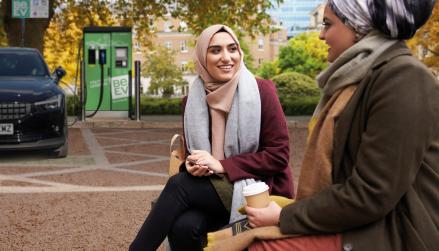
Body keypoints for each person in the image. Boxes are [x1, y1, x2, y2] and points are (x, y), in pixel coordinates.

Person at [243, 0, 439, 250]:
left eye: (328, 24)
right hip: (365, 218)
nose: (322, 35)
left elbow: (371, 193)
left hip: (398, 230)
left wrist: (285, 216)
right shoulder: (359, 78)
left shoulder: (404, 79)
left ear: (359, 26)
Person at [129, 24, 294, 251]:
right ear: (201, 57)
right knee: (183, 226)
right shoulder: (191, 102)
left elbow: (279, 155)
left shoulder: (261, 91)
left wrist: (221, 165)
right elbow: (194, 155)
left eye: (232, 49)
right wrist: (190, 164)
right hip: (209, 190)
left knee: (179, 185)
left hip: (257, 190)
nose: (227, 57)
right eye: (215, 50)